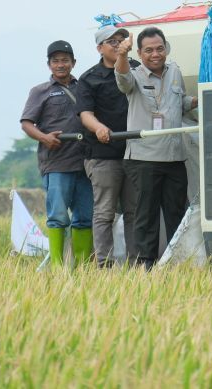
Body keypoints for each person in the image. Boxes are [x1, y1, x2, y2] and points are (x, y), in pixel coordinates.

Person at [115, 27, 197, 269]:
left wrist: (197, 100)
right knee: (146, 215)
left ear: (166, 48)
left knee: (177, 213)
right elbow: (122, 81)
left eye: (159, 48)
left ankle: (177, 261)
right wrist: (121, 55)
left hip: (174, 157)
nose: (155, 54)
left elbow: (178, 103)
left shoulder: (175, 72)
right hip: (144, 158)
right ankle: (145, 265)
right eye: (148, 50)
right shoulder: (133, 75)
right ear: (139, 53)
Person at [20, 40, 93, 267]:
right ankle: (59, 267)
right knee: (58, 217)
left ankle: (81, 266)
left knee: (84, 217)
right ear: (49, 64)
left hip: (86, 162)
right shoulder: (40, 91)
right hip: (57, 163)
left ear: (73, 63)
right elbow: (26, 123)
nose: (60, 65)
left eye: (65, 60)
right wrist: (44, 138)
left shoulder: (84, 88)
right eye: (56, 61)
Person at [75, 25, 139, 267]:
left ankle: (137, 263)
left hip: (135, 152)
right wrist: (99, 127)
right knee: (105, 212)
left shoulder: (136, 69)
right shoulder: (89, 78)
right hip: (102, 154)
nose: (118, 44)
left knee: (134, 212)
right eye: (111, 41)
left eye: (121, 39)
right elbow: (84, 114)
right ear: (99, 48)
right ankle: (104, 263)